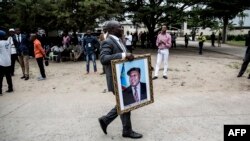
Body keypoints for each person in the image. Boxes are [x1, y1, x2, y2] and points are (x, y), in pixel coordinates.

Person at [98, 21, 143, 139]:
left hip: (122, 79)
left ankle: (107, 120)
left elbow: (124, 57)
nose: (122, 29)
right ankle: (126, 130)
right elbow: (103, 58)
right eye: (119, 27)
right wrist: (123, 55)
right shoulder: (107, 42)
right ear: (112, 29)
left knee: (125, 103)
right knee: (126, 103)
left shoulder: (120, 40)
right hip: (115, 79)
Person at [0, 30, 13, 95]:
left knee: (0, 77)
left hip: (1, 62)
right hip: (8, 62)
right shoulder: (8, 42)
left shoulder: (0, 43)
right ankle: (10, 88)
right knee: (8, 76)